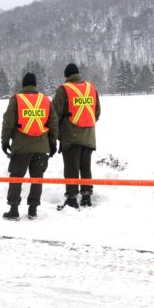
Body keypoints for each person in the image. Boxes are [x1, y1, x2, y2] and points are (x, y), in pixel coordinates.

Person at [1, 72, 59, 220]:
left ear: (23, 84)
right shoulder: (45, 100)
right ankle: (33, 209)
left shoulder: (17, 100)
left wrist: (5, 141)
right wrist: (52, 143)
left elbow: (8, 122)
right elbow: (53, 123)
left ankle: (14, 209)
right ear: (35, 85)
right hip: (41, 147)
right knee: (37, 178)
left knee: (16, 177)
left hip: (21, 147)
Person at [52, 63, 101, 210]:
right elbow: (97, 112)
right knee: (85, 167)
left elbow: (54, 114)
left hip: (71, 136)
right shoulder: (91, 88)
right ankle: (86, 197)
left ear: (66, 76)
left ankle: (72, 198)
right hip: (89, 136)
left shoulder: (64, 89)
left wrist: (56, 133)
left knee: (71, 168)